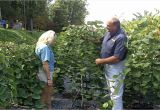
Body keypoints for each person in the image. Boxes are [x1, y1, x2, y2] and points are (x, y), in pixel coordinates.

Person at [95, 17, 127, 110]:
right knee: (111, 91)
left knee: (116, 93)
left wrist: (101, 61)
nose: (106, 27)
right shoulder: (109, 33)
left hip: (116, 67)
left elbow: (117, 58)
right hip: (108, 66)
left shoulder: (121, 37)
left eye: (108, 26)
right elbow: (101, 41)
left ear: (115, 26)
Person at [35, 30, 56, 109]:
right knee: (47, 93)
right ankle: (47, 108)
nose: (54, 42)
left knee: (44, 92)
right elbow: (45, 64)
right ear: (49, 38)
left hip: (42, 72)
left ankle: (46, 107)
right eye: (53, 40)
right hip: (45, 73)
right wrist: (49, 78)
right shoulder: (45, 48)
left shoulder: (39, 46)